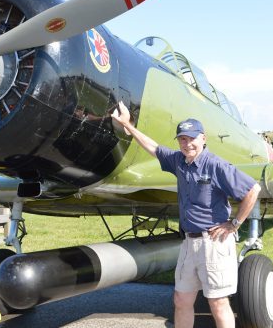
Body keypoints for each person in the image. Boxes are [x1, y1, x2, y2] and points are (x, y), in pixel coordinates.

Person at [111, 101, 260, 328]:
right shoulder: (179, 161)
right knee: (181, 299)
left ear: (203, 138)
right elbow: (153, 147)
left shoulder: (215, 165)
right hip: (189, 243)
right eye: (182, 138)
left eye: (192, 138)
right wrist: (128, 126)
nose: (187, 143)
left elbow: (253, 190)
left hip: (214, 242)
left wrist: (235, 223)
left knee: (217, 302)